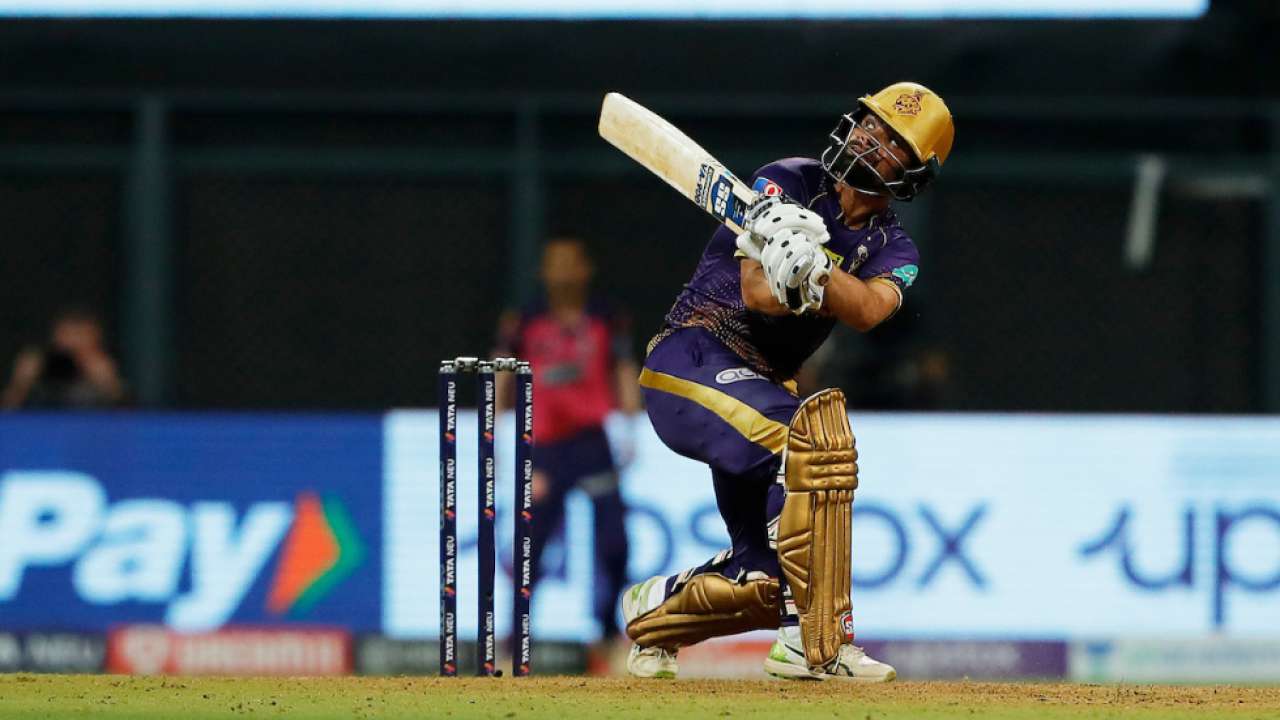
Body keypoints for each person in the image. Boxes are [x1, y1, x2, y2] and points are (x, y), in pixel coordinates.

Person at [619, 82, 954, 681]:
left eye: (889, 140)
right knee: (811, 444)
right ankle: (817, 643)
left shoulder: (895, 248)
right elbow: (756, 293)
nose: (867, 139)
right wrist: (786, 265)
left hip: (762, 393)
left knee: (764, 581)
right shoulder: (788, 180)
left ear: (911, 173)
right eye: (868, 124)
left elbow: (869, 309)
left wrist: (817, 271)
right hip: (690, 359)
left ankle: (652, 615)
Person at [495, 236, 643, 658]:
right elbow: (503, 370)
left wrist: (631, 426)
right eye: (554, 264)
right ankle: (513, 639)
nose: (562, 273)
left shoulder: (605, 316)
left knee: (615, 542)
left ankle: (607, 630)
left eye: (569, 263)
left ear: (585, 270)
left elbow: (623, 367)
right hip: (544, 447)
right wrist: (500, 430)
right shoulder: (524, 319)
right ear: (543, 272)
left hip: (592, 443)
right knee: (531, 544)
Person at [2, 307, 126, 410]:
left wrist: (111, 386)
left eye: (80, 336)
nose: (72, 345)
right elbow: (7, 416)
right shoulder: (40, 369)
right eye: (67, 335)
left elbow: (130, 421)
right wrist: (19, 385)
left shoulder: (101, 373)